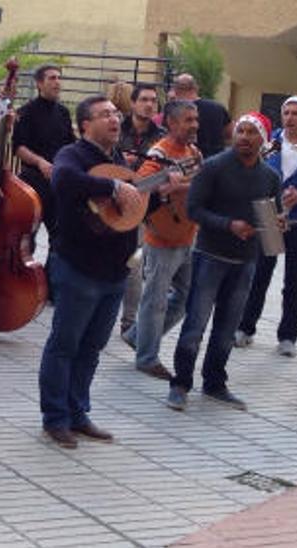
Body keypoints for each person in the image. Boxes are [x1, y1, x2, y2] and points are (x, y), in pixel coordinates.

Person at [37, 95, 136, 449]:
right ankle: (55, 418)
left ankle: (78, 413)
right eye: (105, 114)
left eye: (115, 114)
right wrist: (111, 186)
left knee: (92, 348)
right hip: (79, 266)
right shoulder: (72, 155)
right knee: (65, 344)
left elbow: (131, 207)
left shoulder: (120, 159)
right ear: (85, 125)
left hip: (115, 270)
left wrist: (161, 195)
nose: (114, 120)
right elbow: (63, 180)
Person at [165, 112, 281, 412]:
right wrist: (229, 225)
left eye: (251, 132)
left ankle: (215, 382)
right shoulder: (214, 167)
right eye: (240, 130)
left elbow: (271, 221)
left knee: (227, 328)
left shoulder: (270, 177)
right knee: (195, 325)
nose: (243, 137)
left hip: (245, 262)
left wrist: (279, 221)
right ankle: (180, 383)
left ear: (262, 140)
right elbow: (194, 209)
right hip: (209, 257)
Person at [236, 96, 297, 355]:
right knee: (259, 275)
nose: (289, 118)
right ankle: (245, 327)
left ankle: (288, 337)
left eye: (296, 113)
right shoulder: (270, 142)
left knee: (296, 281)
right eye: (286, 112)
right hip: (268, 218)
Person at [122, 100, 202, 380]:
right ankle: (147, 357)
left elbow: (200, 185)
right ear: (171, 123)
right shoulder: (159, 153)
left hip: (188, 234)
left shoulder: (193, 152)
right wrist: (168, 185)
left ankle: (137, 335)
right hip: (163, 236)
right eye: (188, 120)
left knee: (185, 298)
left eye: (196, 119)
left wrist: (182, 185)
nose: (194, 125)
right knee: (155, 300)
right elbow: (140, 189)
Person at [115, 83, 167, 338]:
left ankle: (128, 321)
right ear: (133, 103)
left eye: (153, 100)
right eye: (144, 99)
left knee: (133, 263)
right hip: (111, 200)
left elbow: (166, 175)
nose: (149, 104)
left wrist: (144, 175)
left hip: (143, 206)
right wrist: (122, 166)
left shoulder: (163, 137)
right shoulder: (115, 127)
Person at [13, 64, 76, 238]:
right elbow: (18, 147)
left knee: (59, 237)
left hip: (58, 181)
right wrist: (40, 162)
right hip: (32, 182)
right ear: (39, 84)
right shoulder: (26, 112)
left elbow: (71, 144)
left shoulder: (63, 113)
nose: (57, 82)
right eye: (52, 78)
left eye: (59, 78)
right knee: (27, 237)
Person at [171, 73, 231, 159]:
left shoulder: (176, 112)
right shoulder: (218, 107)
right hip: (218, 160)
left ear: (176, 91)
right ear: (196, 88)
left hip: (191, 162)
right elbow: (230, 133)